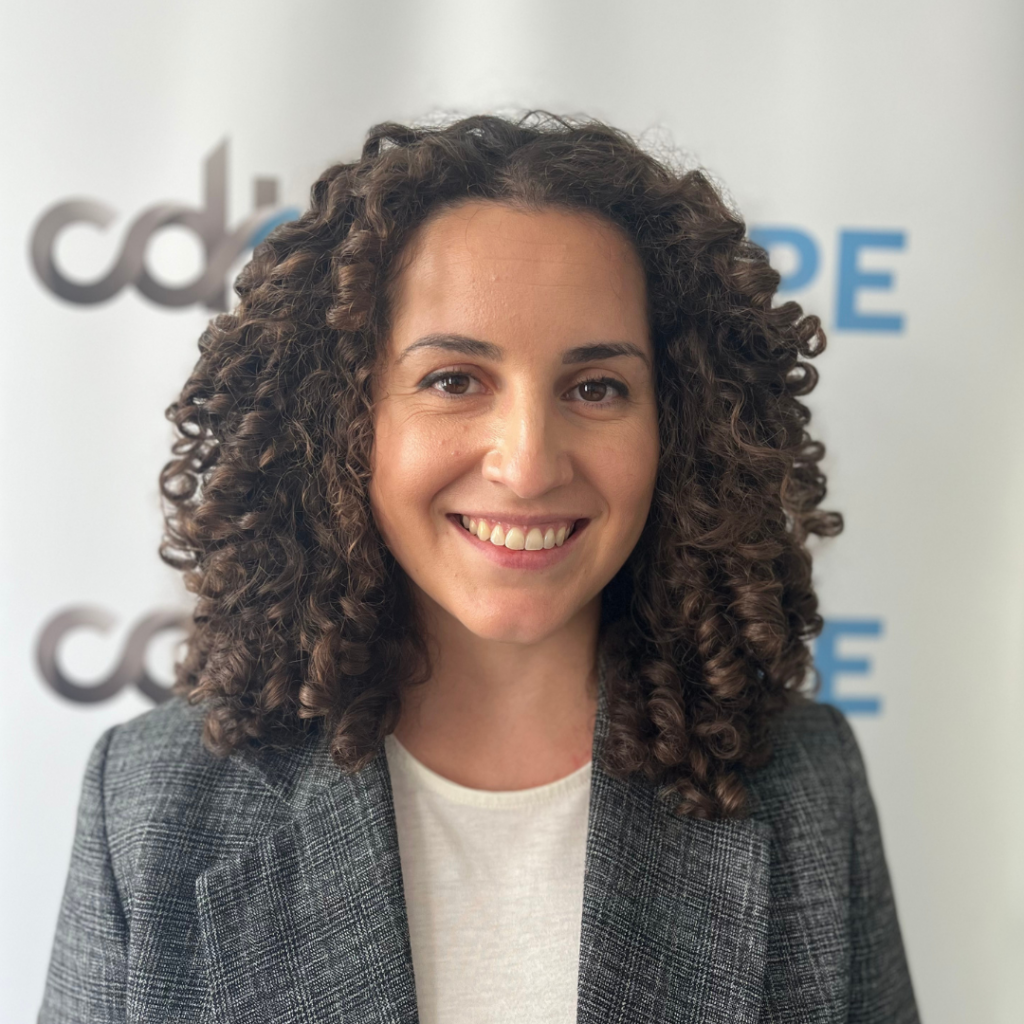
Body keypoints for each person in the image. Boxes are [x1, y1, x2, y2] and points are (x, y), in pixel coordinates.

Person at [39, 113, 919, 1023]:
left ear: (682, 427)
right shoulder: (150, 804)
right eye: (455, 379)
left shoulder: (809, 784)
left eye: (597, 387)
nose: (529, 464)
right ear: (345, 420)